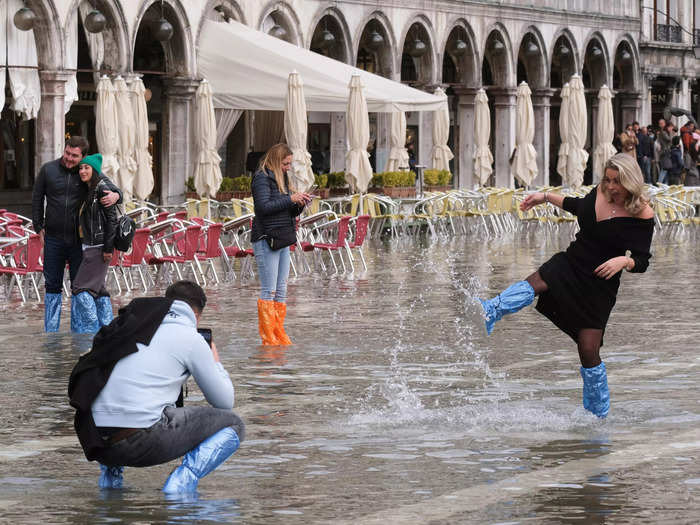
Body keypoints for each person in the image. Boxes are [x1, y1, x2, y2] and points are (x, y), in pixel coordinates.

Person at [478, 153, 654, 418]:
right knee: (536, 282)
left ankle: (597, 414)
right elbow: (578, 205)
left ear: (630, 181)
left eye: (616, 181)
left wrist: (623, 261)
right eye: (607, 180)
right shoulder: (600, 192)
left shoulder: (641, 212)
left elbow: (642, 260)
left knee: (588, 348)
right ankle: (491, 310)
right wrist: (545, 197)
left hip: (599, 283)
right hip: (572, 262)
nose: (611, 186)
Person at [68, 280, 244, 492]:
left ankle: (110, 487)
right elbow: (224, 402)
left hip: (94, 440)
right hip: (140, 442)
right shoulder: (189, 336)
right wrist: (215, 361)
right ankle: (179, 486)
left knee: (127, 401)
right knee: (234, 425)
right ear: (196, 315)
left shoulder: (133, 323)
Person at [32, 136, 121, 332]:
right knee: (52, 285)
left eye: (75, 156)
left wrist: (117, 195)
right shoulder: (48, 169)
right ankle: (51, 332)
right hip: (53, 238)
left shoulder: (87, 173)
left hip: (79, 241)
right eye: (67, 153)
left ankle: (79, 331)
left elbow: (112, 189)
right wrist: (38, 227)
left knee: (80, 287)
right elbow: (37, 199)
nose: (69, 158)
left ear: (83, 157)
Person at [251, 143, 312, 345]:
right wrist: (289, 199)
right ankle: (268, 337)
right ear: (277, 161)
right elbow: (263, 207)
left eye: (290, 164)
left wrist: (298, 205)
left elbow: (286, 210)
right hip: (267, 237)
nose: (288, 167)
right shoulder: (261, 177)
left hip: (283, 236)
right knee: (269, 289)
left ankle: (278, 333)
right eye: (286, 163)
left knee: (282, 289)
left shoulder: (282, 179)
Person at [70, 154, 118, 334]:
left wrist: (107, 249)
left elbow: (111, 220)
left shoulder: (102, 190)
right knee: (98, 289)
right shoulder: (88, 189)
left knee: (80, 288)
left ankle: (90, 331)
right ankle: (108, 329)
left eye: (86, 168)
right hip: (89, 245)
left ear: (94, 170)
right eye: (81, 168)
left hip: (98, 246)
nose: (82, 171)